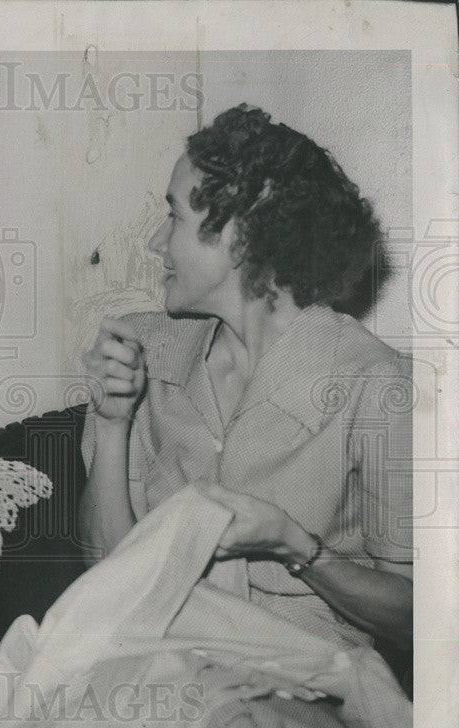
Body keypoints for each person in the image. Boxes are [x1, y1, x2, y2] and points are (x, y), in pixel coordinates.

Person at [81, 104, 412, 658]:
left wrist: (295, 546)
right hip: (157, 664)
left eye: (175, 219)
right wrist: (112, 423)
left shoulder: (375, 384)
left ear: (240, 238)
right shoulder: (144, 351)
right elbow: (105, 573)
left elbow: (418, 617)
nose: (156, 243)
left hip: (302, 684)